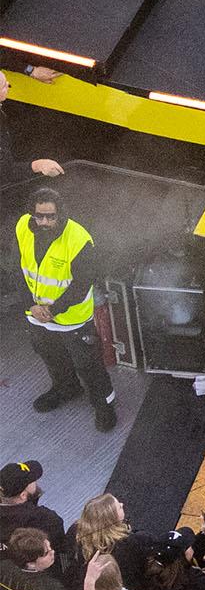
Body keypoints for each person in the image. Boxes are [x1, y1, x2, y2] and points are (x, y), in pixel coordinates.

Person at [14, 181, 111, 430]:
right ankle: (67, 388)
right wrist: (31, 306)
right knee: (52, 357)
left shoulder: (79, 240)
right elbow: (19, 270)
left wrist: (52, 311)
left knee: (89, 365)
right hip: (36, 315)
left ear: (61, 214)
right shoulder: (23, 229)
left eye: (50, 217)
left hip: (71, 320)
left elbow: (81, 285)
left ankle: (104, 405)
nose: (44, 222)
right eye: (39, 216)